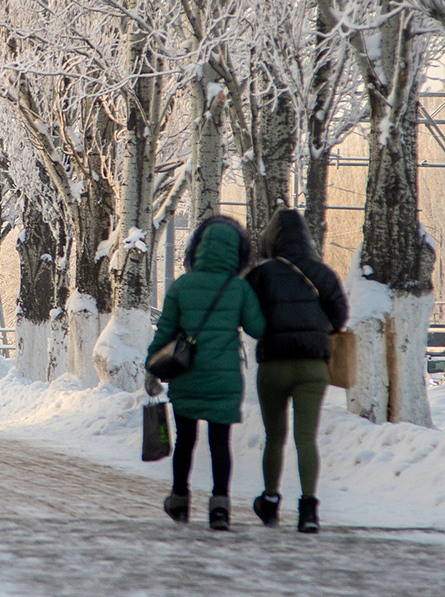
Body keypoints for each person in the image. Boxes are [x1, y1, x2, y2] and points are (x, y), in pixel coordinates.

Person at [144, 215, 264, 531]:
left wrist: (151, 366)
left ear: (197, 249)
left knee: (186, 440)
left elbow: (165, 331)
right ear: (237, 253)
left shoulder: (182, 286)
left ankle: (180, 500)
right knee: (219, 443)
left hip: (187, 376)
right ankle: (220, 507)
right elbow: (258, 327)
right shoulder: (239, 288)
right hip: (225, 380)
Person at [244, 208, 348, 535]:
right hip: (313, 367)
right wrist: (314, 330)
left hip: (273, 365)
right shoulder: (324, 273)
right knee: (306, 438)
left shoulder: (261, 274)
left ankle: (271, 501)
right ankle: (308, 511)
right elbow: (340, 316)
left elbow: (250, 318)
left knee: (274, 437)